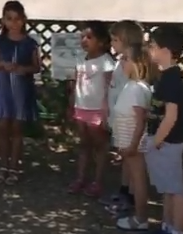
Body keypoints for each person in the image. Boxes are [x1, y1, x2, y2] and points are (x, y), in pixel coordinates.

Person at [0, 0, 40, 185]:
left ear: (24, 20)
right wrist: (1, 64)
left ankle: (15, 166)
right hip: (1, 88)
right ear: (3, 21)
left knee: (17, 128)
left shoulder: (30, 44)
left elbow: (37, 67)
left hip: (21, 90)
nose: (14, 23)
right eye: (9, 19)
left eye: (17, 19)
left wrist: (23, 69)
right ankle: (3, 165)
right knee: (2, 127)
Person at [145, 26, 183, 234]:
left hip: (168, 142)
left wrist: (156, 141)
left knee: (175, 189)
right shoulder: (164, 76)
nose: (149, 49)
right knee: (166, 188)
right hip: (162, 140)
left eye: (152, 45)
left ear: (165, 50)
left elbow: (171, 116)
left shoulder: (172, 80)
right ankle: (167, 224)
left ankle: (177, 229)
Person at [67, 20, 115, 197]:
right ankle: (81, 178)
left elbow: (110, 88)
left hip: (97, 111)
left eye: (89, 37)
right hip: (81, 108)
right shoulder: (80, 60)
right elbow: (75, 85)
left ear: (101, 41)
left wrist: (106, 111)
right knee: (84, 144)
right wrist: (71, 105)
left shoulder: (107, 62)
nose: (84, 40)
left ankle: (97, 181)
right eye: (82, 37)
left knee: (99, 146)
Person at [114, 42, 158, 231]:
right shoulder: (131, 86)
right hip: (128, 144)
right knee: (135, 178)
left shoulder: (138, 88)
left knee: (138, 180)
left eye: (126, 59)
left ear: (138, 63)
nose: (121, 62)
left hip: (134, 145)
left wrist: (132, 145)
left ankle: (141, 218)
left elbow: (140, 121)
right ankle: (138, 215)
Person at [103, 20, 146, 213]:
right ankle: (124, 190)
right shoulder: (121, 61)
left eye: (115, 40)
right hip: (118, 116)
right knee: (125, 158)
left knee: (132, 159)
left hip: (129, 119)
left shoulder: (133, 64)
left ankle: (133, 198)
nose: (112, 43)